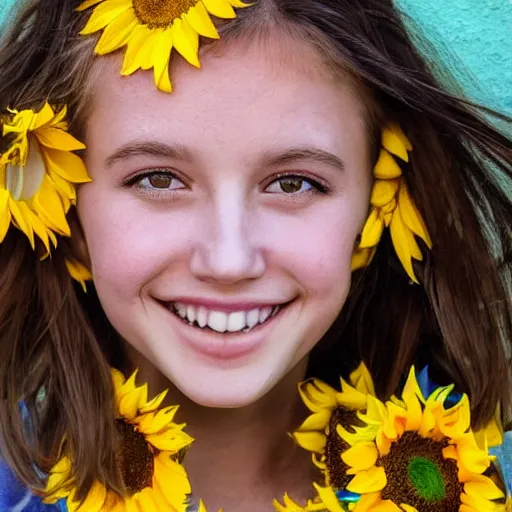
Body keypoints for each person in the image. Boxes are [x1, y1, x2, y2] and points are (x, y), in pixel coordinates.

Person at [0, 0, 510, 510]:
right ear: (61, 211)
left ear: (380, 205)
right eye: (158, 179)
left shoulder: (466, 482)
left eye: (293, 183)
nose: (229, 261)